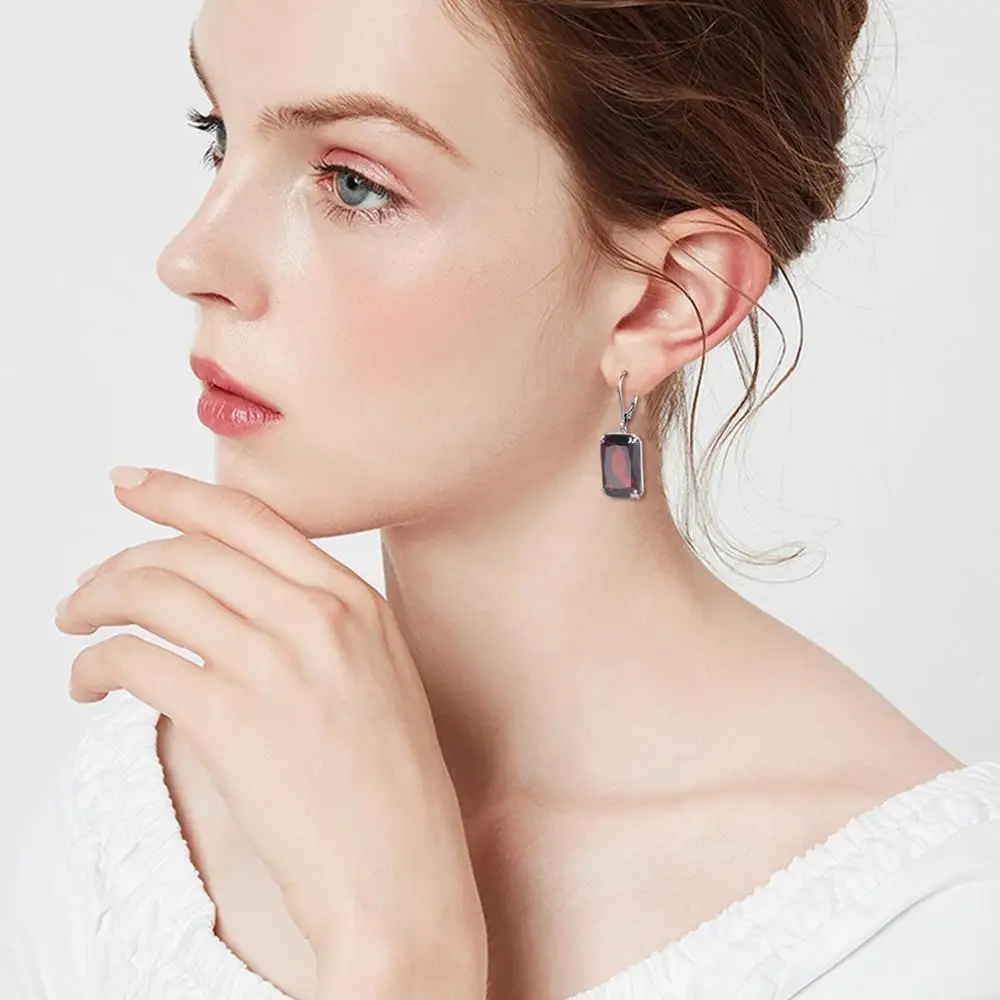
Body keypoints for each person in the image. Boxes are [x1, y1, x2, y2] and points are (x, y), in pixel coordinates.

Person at [3, 0, 1000, 998]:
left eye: (354, 184)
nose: (189, 259)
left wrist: (402, 955)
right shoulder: (149, 820)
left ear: (667, 298)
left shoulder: (929, 927)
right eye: (217, 135)